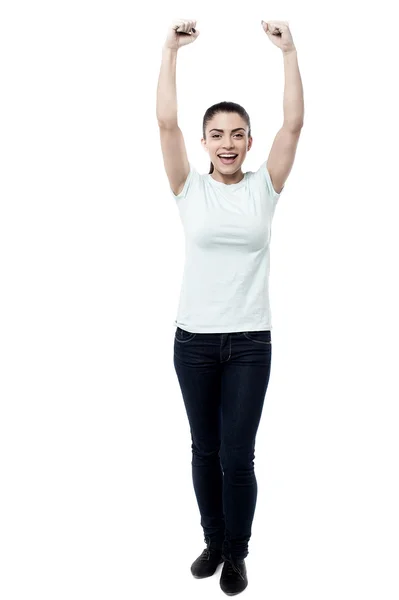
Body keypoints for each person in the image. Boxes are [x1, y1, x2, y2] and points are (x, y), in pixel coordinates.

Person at [156, 17, 304, 596]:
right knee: (204, 448)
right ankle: (213, 540)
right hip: (193, 341)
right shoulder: (186, 188)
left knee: (238, 456)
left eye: (236, 133)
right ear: (204, 142)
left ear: (248, 139)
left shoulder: (265, 186)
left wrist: (288, 50)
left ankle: (238, 553)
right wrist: (170, 51)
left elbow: (294, 123)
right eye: (216, 133)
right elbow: (164, 120)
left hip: (249, 343)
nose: (226, 142)